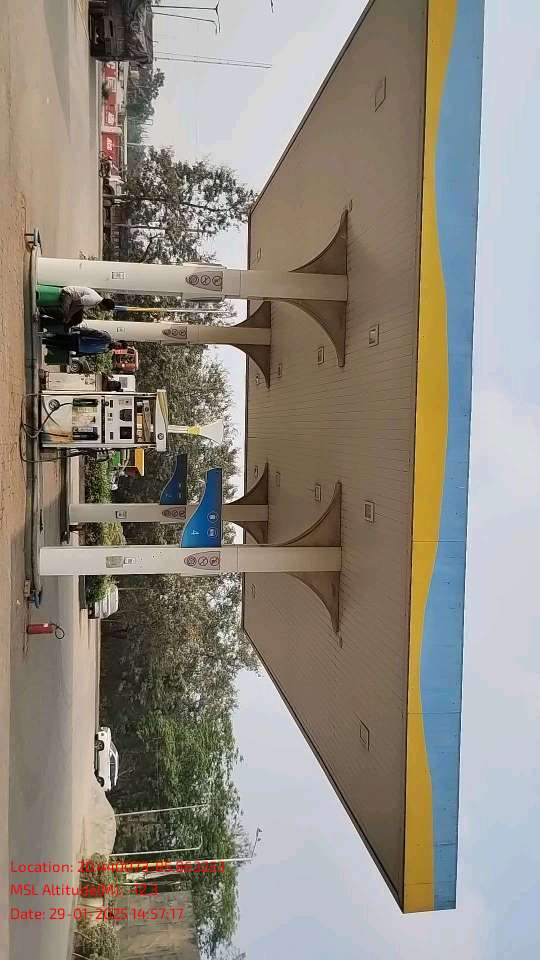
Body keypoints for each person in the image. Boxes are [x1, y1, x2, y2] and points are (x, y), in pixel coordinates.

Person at [36, 283, 115, 330]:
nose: (103, 311)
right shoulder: (93, 299)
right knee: (64, 313)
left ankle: (47, 322)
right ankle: (40, 310)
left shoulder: (96, 302)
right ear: (105, 306)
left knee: (78, 320)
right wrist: (69, 316)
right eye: (105, 309)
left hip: (74, 301)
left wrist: (70, 320)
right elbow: (75, 303)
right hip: (68, 294)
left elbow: (80, 307)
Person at [42, 327, 123, 357]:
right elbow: (92, 331)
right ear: (118, 342)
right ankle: (44, 335)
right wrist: (78, 329)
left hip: (78, 348)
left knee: (61, 346)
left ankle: (44, 341)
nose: (117, 347)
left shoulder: (106, 350)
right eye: (119, 345)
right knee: (60, 337)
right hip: (78, 339)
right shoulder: (107, 337)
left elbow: (92, 353)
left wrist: (79, 354)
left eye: (118, 348)